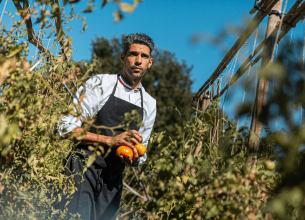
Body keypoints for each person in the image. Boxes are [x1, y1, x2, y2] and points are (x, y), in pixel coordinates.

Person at [58, 33, 156, 220]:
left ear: (150, 62)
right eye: (133, 54)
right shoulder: (100, 83)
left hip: (112, 181)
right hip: (83, 170)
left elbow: (142, 151)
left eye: (144, 57)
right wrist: (111, 140)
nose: (138, 60)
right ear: (123, 57)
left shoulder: (150, 104)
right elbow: (66, 127)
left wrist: (134, 157)